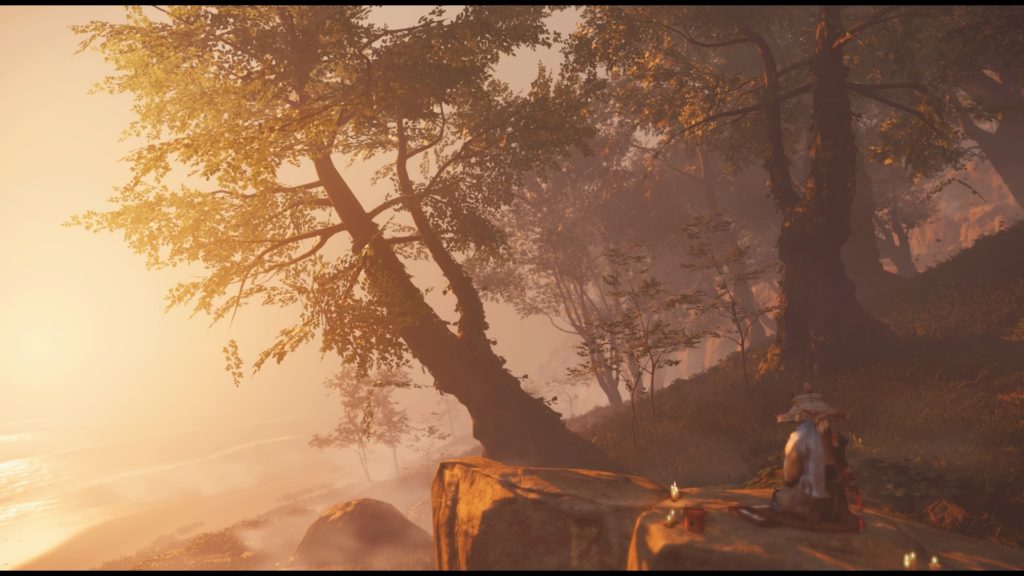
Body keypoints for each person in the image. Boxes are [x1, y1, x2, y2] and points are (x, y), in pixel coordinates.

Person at [770, 383, 859, 529]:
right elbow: (793, 479)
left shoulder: (806, 437)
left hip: (821, 496)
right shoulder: (828, 438)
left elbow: (790, 479)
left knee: (779, 497)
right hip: (822, 496)